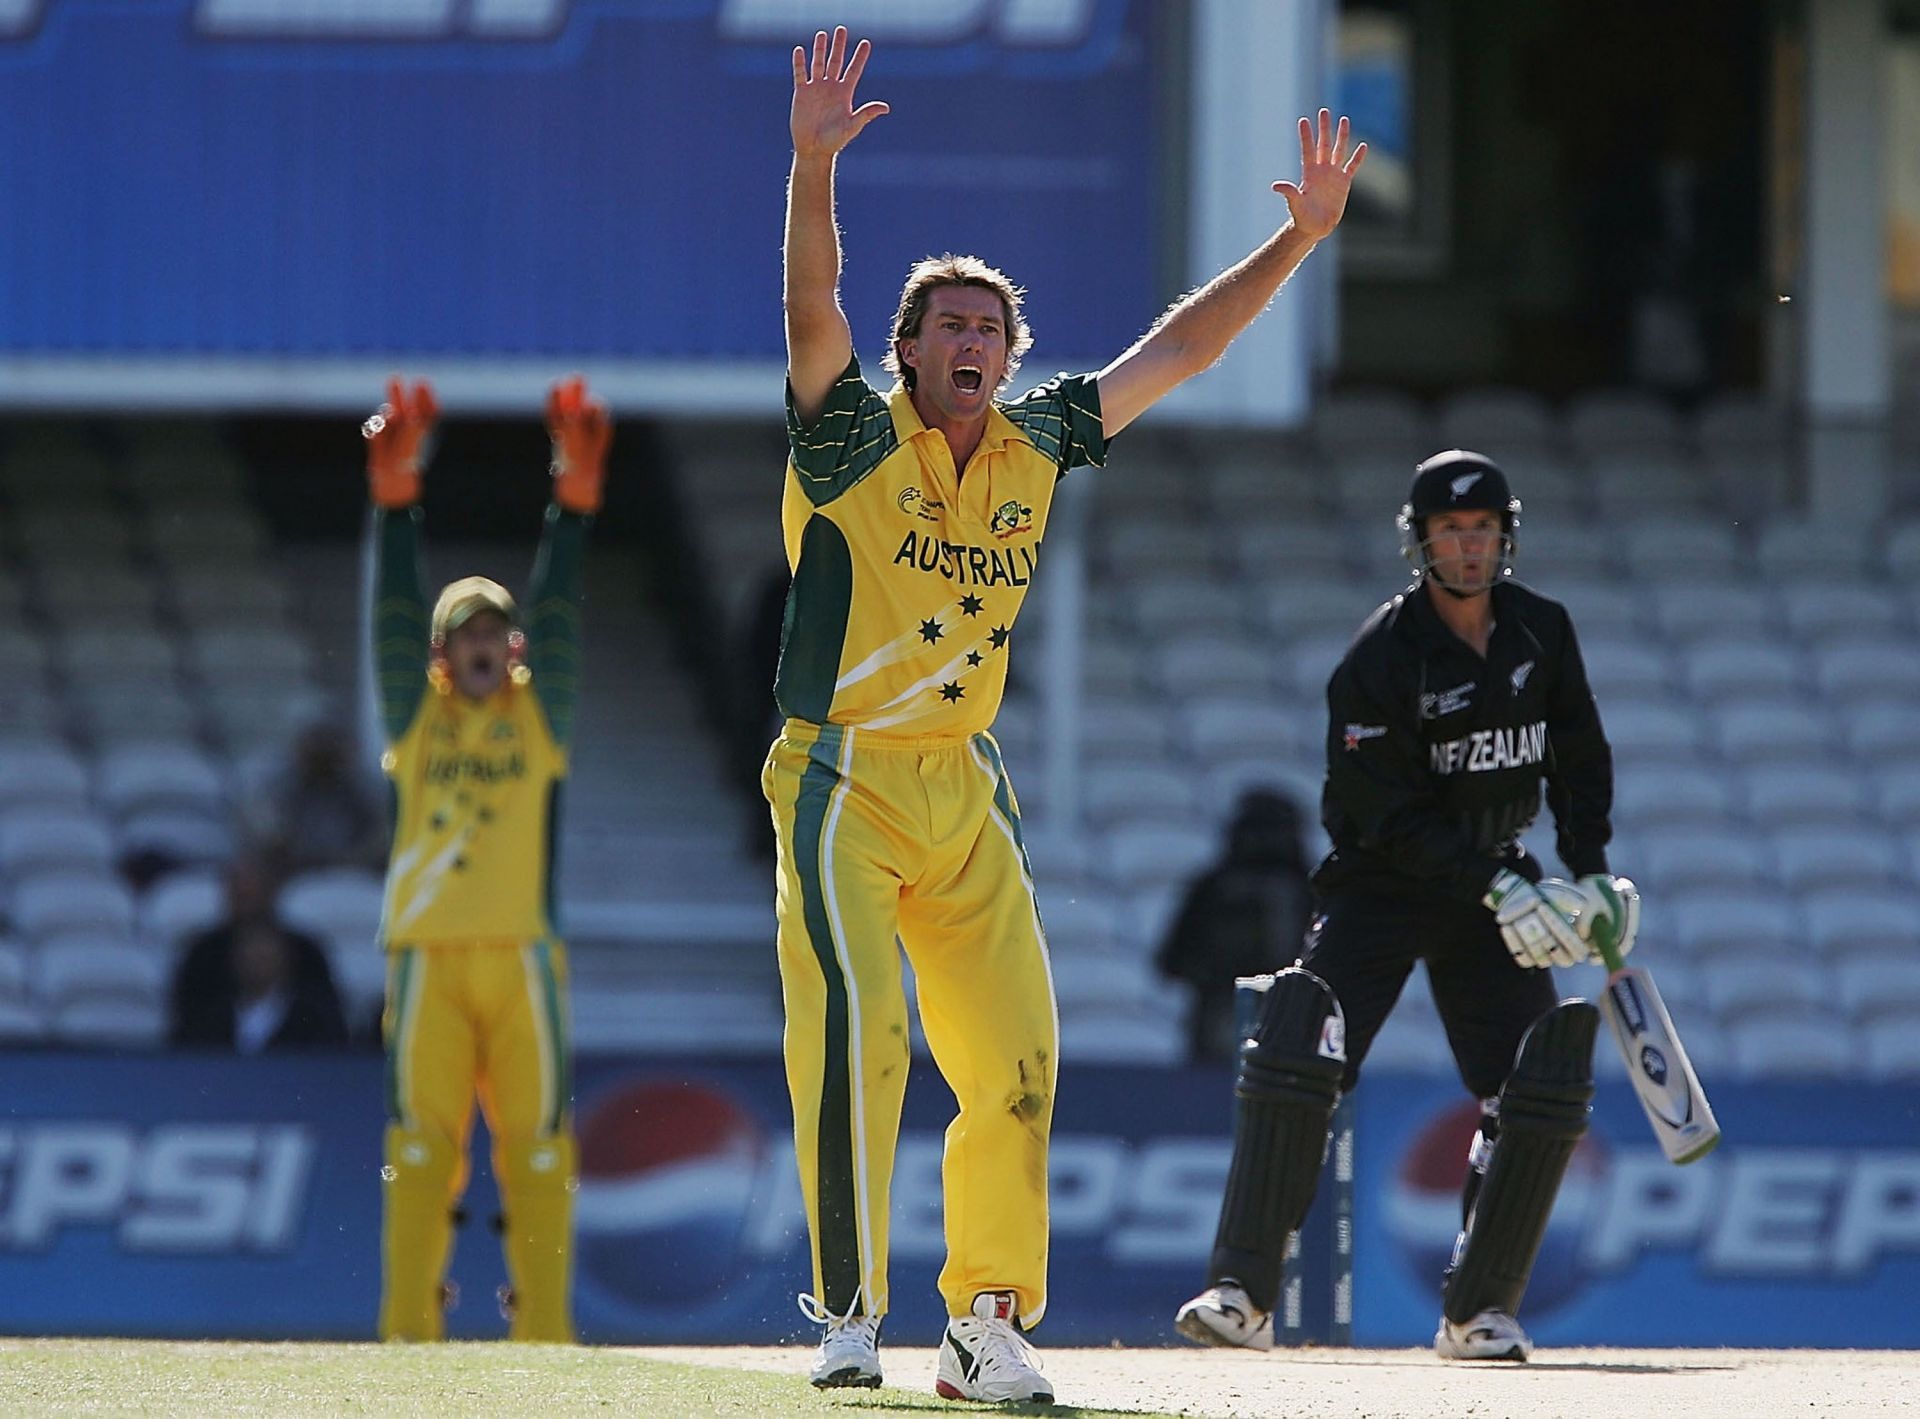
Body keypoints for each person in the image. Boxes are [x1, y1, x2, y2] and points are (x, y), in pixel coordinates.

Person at [775, 26, 1365, 1402]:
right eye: (947, 326)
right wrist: (811, 169)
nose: (969, 340)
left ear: (1011, 352)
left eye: (990, 326)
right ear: (911, 351)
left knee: (1019, 1055)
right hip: (839, 775)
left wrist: (1301, 244)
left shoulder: (1041, 440)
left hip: (961, 788)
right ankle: (850, 1313)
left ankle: (984, 1320)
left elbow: (1184, 349)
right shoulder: (853, 436)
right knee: (864, 1034)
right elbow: (814, 313)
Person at [1173, 451, 1641, 1361]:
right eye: (1449, 532)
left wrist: (1587, 873)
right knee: (1297, 1042)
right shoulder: (1379, 658)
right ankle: (1241, 1292)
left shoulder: (1543, 631)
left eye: (1482, 531)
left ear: (1506, 537)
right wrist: (1500, 883)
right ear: (1420, 541)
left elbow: (1579, 759)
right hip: (1384, 884)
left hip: (1492, 890)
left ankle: (1480, 1313)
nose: (1467, 548)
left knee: (1535, 1082)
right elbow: (1373, 812)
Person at [362, 374, 608, 1345]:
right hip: (425, 955)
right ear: (436, 657)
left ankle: (542, 1341)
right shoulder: (415, 720)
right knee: (420, 1151)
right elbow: (388, 619)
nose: (479, 645)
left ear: (510, 652)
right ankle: (406, 1340)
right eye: (459, 633)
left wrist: (572, 511)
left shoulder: (537, 717)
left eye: (492, 633)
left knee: (538, 1152)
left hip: (520, 958)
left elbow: (559, 617)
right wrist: (394, 506)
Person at [1156, 788, 1314, 1064]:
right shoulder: (1212, 889)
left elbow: (1171, 962)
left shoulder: (1306, 891)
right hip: (1225, 1019)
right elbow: (1171, 961)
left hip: (1283, 1018)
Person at [169, 856, 349, 1053]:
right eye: (240, 891)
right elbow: (185, 1031)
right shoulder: (201, 955)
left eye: (252, 890)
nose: (256, 960)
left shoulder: (308, 953)